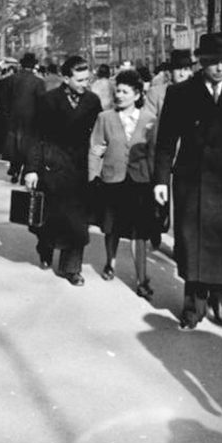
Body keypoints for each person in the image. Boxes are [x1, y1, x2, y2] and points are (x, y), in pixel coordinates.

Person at [154, 32, 222, 330]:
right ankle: (193, 307)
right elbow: (165, 141)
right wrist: (161, 181)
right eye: (213, 62)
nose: (219, 68)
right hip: (192, 182)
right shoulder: (180, 93)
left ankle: (218, 296)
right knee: (192, 245)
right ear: (201, 62)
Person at [24, 56, 101, 286]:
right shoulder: (49, 100)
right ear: (66, 78)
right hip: (53, 166)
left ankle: (72, 268)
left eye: (87, 79)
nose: (84, 84)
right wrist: (32, 169)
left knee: (78, 222)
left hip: (80, 168)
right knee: (50, 219)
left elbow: (99, 132)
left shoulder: (93, 101)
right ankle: (45, 247)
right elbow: (36, 137)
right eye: (79, 80)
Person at [88, 70, 157, 298]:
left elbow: (154, 153)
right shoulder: (104, 118)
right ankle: (110, 263)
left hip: (140, 182)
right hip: (113, 179)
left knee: (140, 232)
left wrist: (158, 181)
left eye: (125, 91)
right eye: (117, 90)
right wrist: (92, 175)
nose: (119, 95)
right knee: (112, 227)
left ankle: (141, 278)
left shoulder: (149, 120)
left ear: (137, 95)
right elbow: (96, 148)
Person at [6, 52, 45, 184]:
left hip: (14, 116)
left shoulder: (12, 79)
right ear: (34, 65)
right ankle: (25, 173)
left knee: (15, 144)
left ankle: (14, 169)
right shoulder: (38, 82)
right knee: (29, 145)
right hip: (31, 118)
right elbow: (42, 102)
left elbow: (5, 99)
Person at [144, 50, 195, 118]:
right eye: (178, 69)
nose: (182, 74)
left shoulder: (196, 92)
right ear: (171, 71)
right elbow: (147, 122)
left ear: (190, 72)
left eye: (185, 69)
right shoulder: (156, 93)